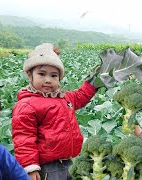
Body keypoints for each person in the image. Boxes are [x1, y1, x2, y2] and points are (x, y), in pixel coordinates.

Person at [11, 43, 98, 180]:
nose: (48, 80)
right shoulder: (27, 105)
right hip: (47, 168)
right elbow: (24, 138)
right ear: (29, 75)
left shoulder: (64, 98)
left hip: (67, 162)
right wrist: (29, 166)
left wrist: (94, 82)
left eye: (54, 76)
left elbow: (81, 96)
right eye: (41, 74)